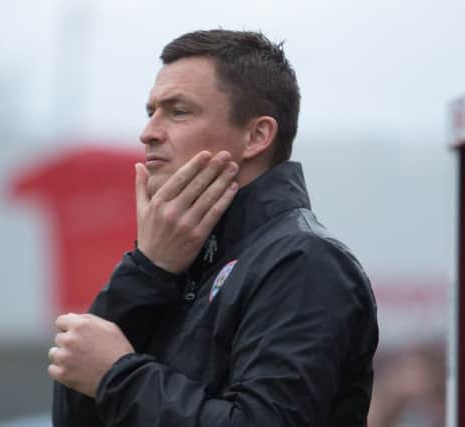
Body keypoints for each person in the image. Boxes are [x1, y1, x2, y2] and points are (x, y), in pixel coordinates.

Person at [48, 29, 379, 426]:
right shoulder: (174, 261)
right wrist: (147, 270)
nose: (149, 132)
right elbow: (75, 415)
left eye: (178, 111)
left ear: (257, 136)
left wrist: (119, 375)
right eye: (150, 110)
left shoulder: (305, 262)